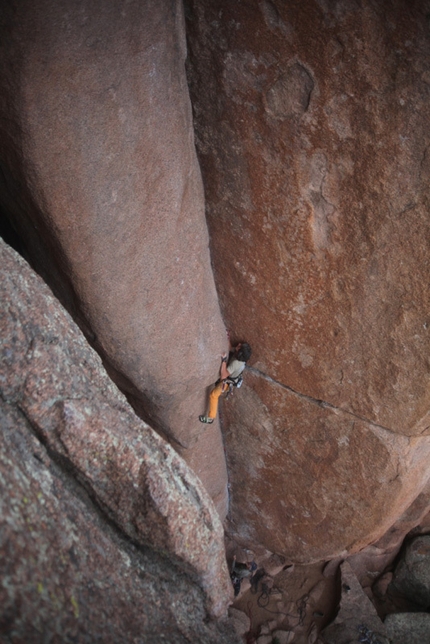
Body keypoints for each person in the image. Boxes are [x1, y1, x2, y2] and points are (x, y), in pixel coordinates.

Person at [199, 338, 252, 424]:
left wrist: (223, 361)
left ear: (240, 351)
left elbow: (223, 375)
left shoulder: (237, 363)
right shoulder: (240, 355)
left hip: (227, 383)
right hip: (230, 379)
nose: (238, 344)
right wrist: (227, 336)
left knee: (213, 395)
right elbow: (230, 347)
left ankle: (211, 418)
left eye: (239, 346)